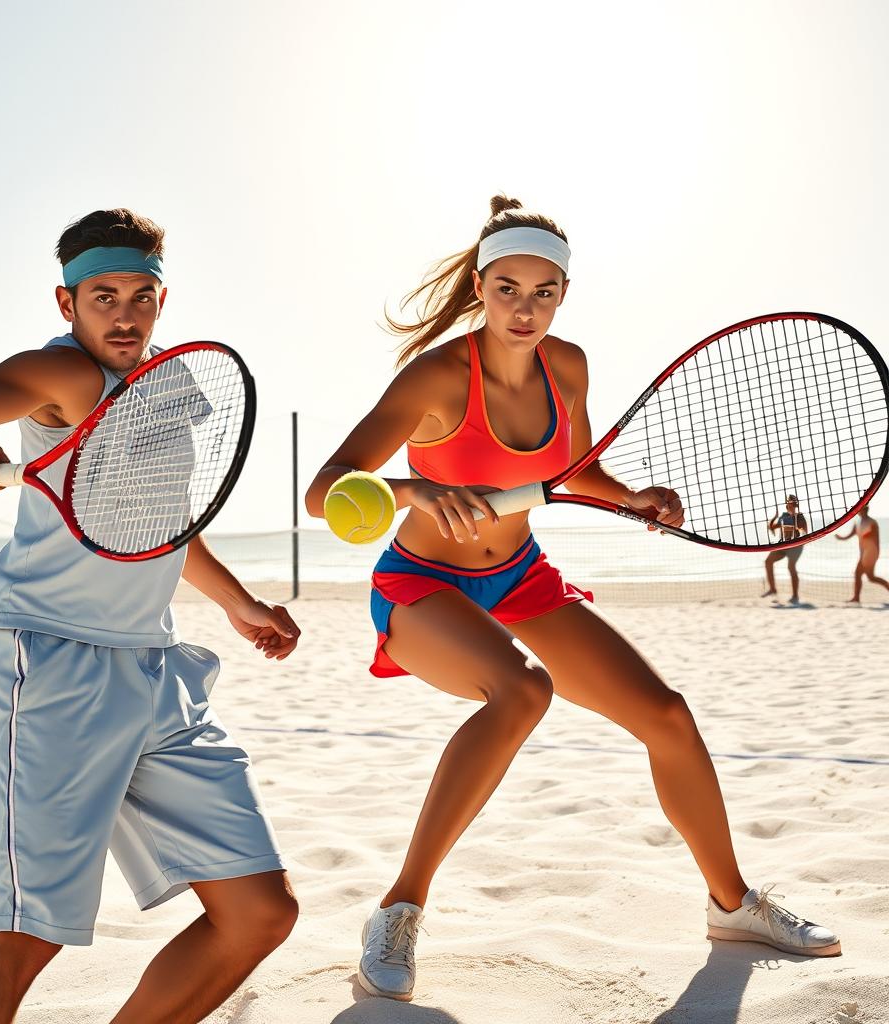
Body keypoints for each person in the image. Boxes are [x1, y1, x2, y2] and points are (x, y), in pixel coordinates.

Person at [306, 196, 840, 1002]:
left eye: (545, 291)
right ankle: (399, 907)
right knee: (522, 692)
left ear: (564, 293)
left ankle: (732, 904)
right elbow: (323, 492)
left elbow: (570, 472)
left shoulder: (570, 367)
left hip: (519, 571)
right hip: (424, 584)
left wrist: (633, 499)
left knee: (666, 713)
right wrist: (414, 488)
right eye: (509, 288)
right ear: (480, 287)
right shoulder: (438, 378)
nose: (526, 308)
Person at [0, 209, 300, 1024]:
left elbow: (163, 522)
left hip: (154, 665)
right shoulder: (62, 374)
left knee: (260, 911)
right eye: (102, 295)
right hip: (50, 657)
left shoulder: (171, 385)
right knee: (28, 935)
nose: (123, 312)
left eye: (141, 296)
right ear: (67, 300)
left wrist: (239, 603)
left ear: (161, 300)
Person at [836, 503, 889, 603]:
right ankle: (856, 598)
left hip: (871, 552)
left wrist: (875, 553)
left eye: (859, 509)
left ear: (864, 510)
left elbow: (875, 538)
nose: (857, 511)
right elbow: (851, 535)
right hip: (864, 552)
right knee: (871, 577)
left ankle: (856, 598)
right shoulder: (858, 522)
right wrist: (841, 538)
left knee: (860, 574)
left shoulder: (872, 522)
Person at [761, 495, 807, 603]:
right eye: (789, 502)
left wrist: (796, 522)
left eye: (793, 502)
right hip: (783, 545)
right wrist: (774, 518)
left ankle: (795, 596)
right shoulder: (784, 516)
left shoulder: (800, 516)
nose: (791, 504)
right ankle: (773, 589)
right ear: (787, 504)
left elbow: (805, 531)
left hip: (796, 545)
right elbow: (772, 527)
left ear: (796, 504)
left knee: (791, 567)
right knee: (768, 562)